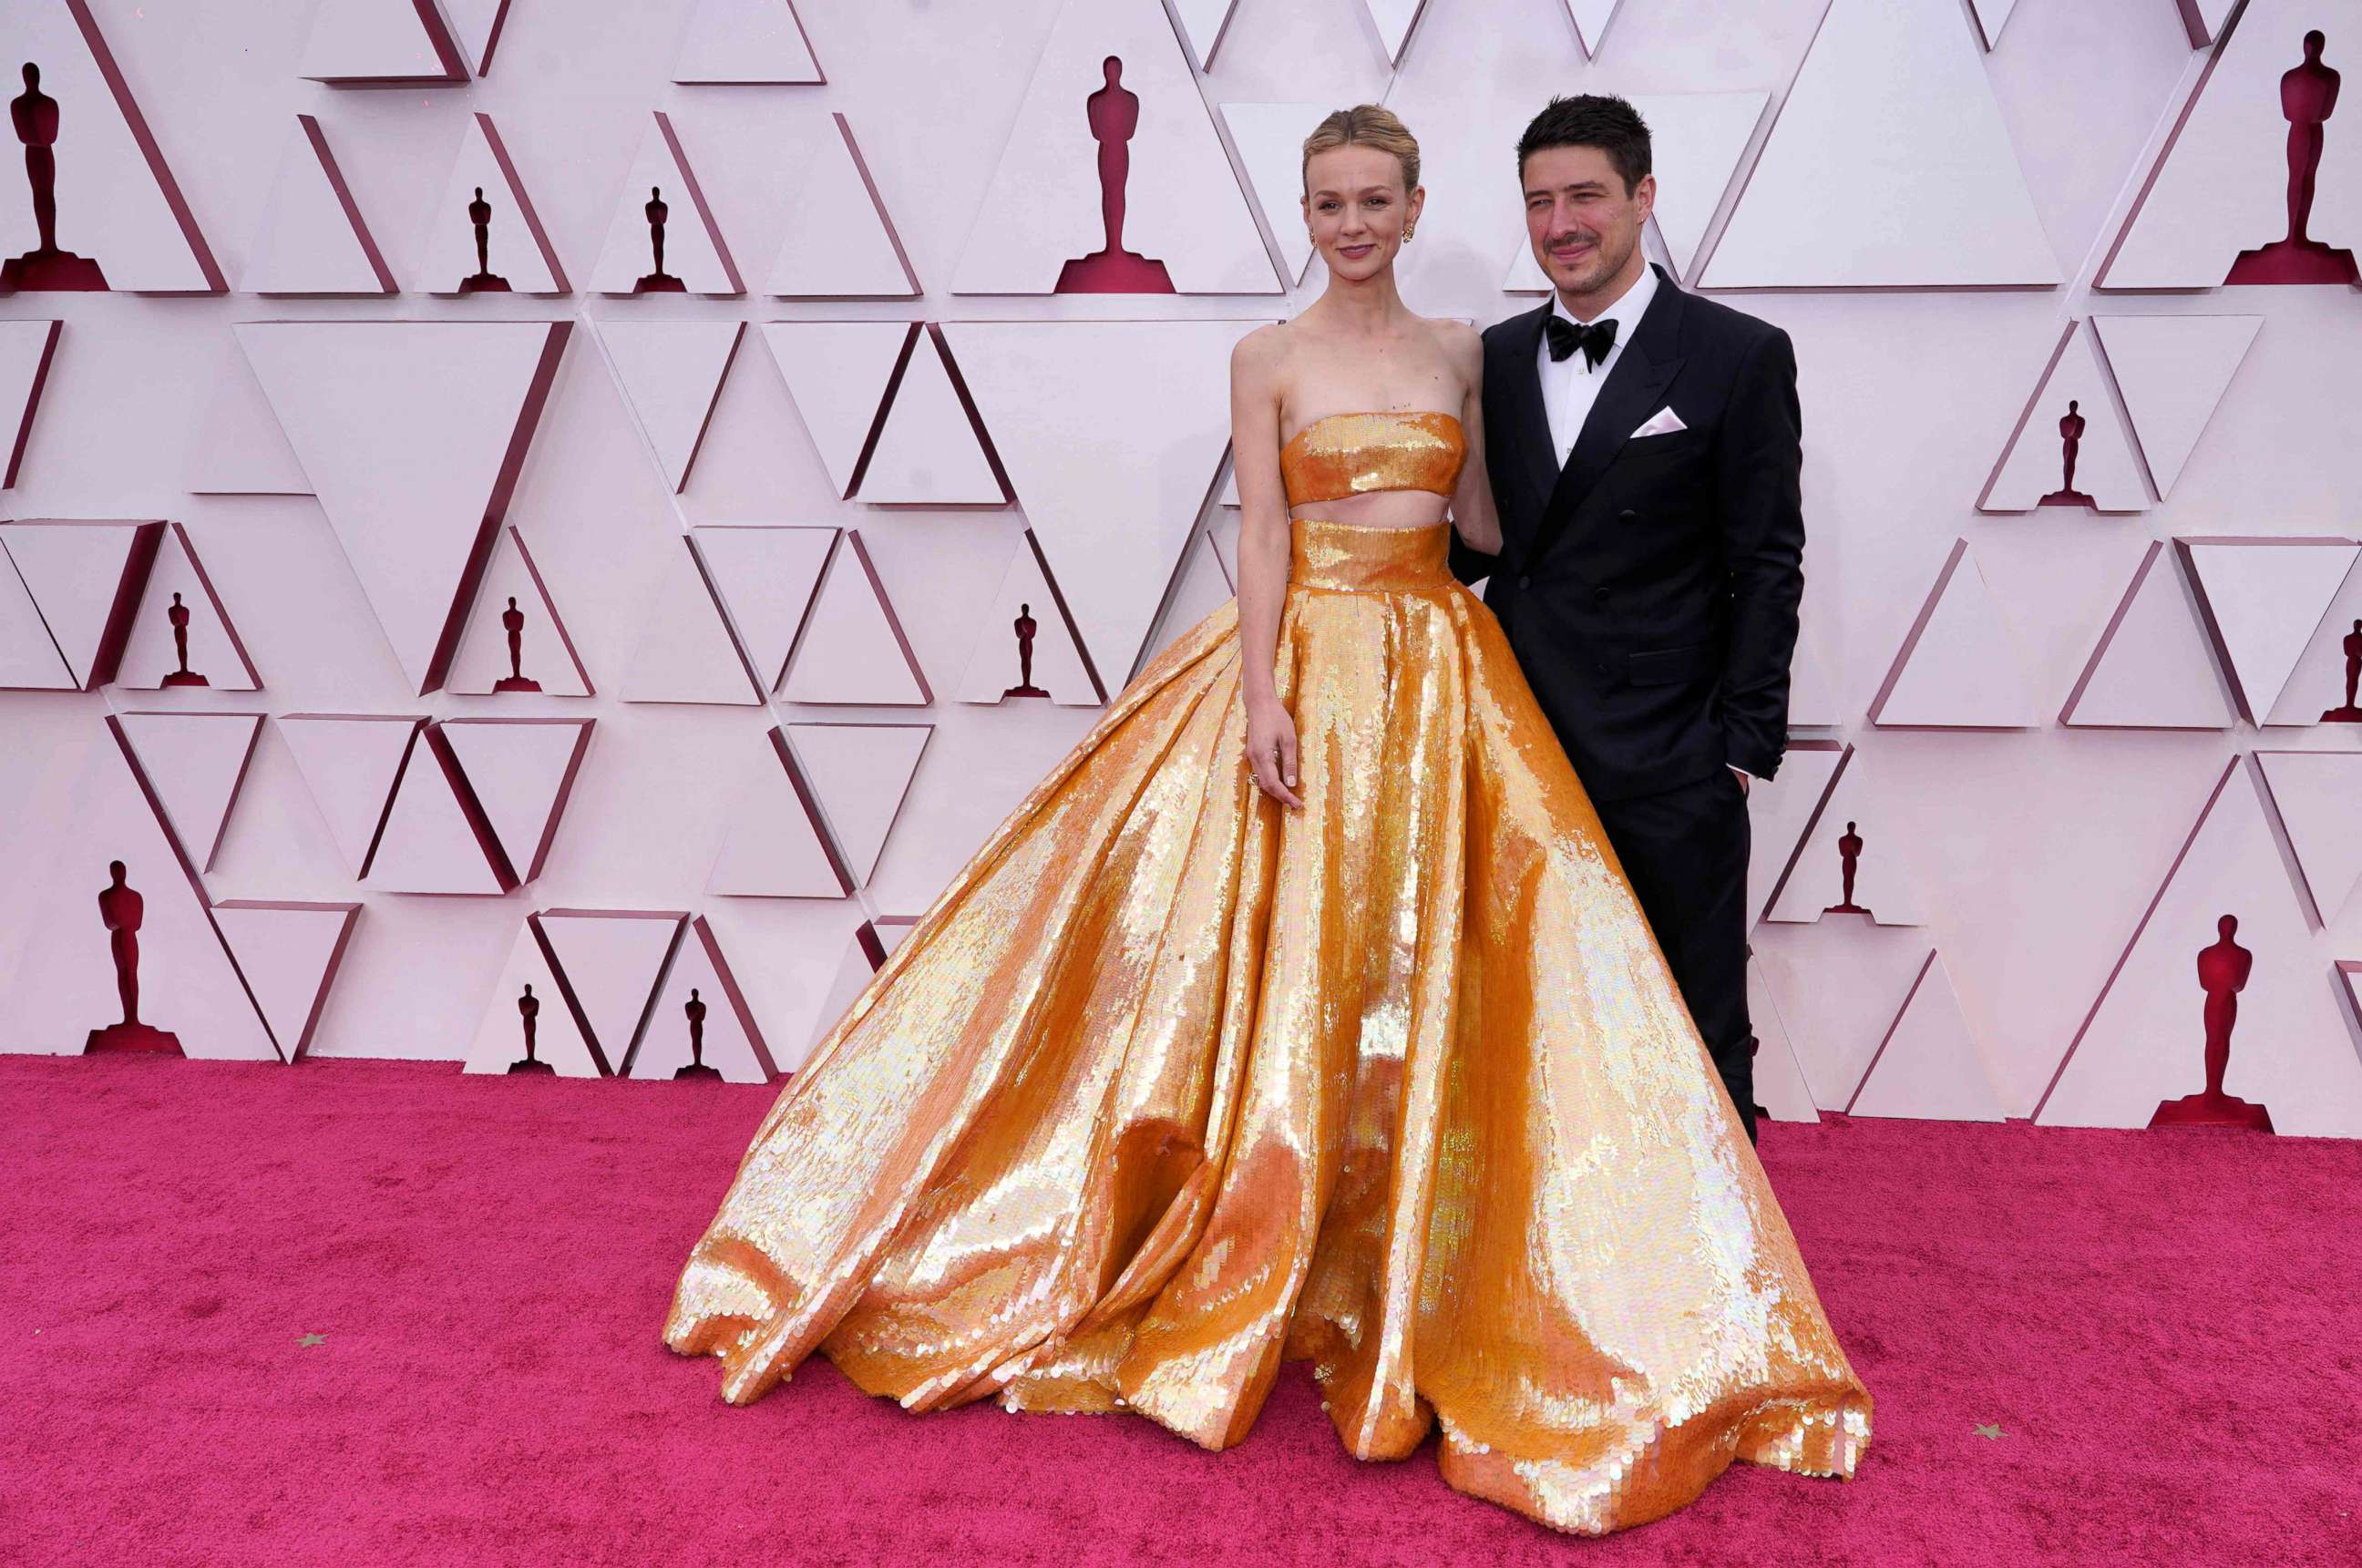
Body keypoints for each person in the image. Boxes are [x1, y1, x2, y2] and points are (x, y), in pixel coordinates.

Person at [664, 105, 1869, 1536]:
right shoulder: (1280, 355)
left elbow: (1498, 528)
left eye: (1375, 199)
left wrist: (1733, 739)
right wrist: (1257, 694)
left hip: (1460, 684)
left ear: (1421, 209)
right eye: (1327, 200)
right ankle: (1312, 1245)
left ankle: (1678, 1291)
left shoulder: (1472, 356)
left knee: (1538, 992)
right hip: (1313, 673)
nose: (1352, 222)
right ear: (1306, 211)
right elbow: (1262, 529)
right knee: (1296, 976)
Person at [1452, 95, 1806, 1146]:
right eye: (1540, 202)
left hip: (1669, 752)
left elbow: (1768, 559)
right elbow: (1484, 540)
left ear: (1644, 197)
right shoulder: (1498, 356)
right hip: (1519, 743)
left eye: (1587, 196)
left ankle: (1725, 1286)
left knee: (1695, 1024)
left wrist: (1738, 748)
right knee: (1528, 1018)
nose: (1563, 222)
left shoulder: (1738, 354)